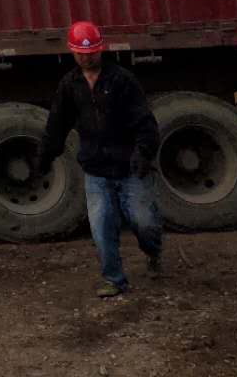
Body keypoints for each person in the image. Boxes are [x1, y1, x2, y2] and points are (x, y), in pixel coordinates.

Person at [36, 20, 163, 298]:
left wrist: (143, 153)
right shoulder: (70, 86)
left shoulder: (122, 80)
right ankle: (114, 280)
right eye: (81, 53)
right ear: (71, 52)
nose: (86, 57)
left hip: (130, 167)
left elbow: (144, 121)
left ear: (100, 49)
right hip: (96, 171)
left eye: (91, 52)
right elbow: (56, 125)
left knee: (144, 222)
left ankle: (154, 252)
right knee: (102, 228)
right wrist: (44, 158)